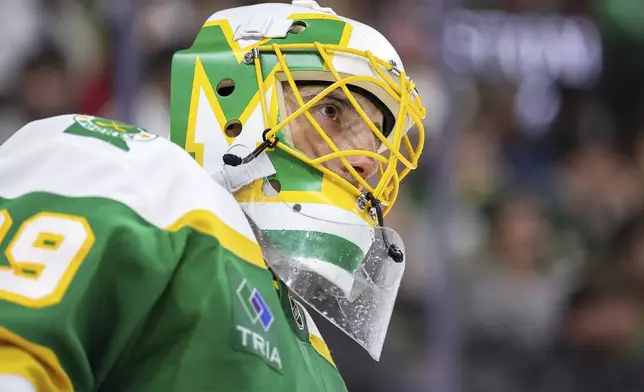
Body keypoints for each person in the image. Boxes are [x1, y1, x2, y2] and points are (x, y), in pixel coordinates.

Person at [0, 1, 426, 391]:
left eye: (375, 140)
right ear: (233, 101)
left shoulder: (319, 356)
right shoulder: (137, 179)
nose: (365, 160)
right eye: (330, 111)